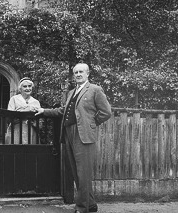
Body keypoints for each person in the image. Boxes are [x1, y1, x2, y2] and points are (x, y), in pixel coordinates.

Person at [36, 63, 111, 213]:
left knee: (83, 172)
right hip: (68, 132)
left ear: (87, 73)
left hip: (83, 134)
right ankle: (90, 204)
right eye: (75, 72)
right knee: (77, 172)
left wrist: (91, 123)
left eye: (81, 72)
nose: (78, 74)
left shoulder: (95, 89)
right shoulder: (71, 92)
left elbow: (106, 112)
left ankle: (82, 208)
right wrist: (44, 111)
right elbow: (63, 110)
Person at [6, 77, 41, 144]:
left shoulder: (36, 102)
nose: (27, 88)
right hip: (16, 130)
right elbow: (9, 115)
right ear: (20, 88)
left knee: (30, 151)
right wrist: (26, 110)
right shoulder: (14, 99)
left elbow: (39, 120)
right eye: (25, 86)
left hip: (30, 131)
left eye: (29, 86)